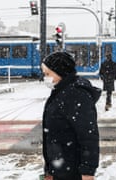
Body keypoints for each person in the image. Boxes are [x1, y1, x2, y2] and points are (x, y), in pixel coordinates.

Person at [41, 52, 101, 180]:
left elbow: (88, 136)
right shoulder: (60, 92)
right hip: (60, 167)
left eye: (47, 74)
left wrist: (88, 171)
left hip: (72, 170)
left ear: (60, 73)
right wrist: (49, 170)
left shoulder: (76, 94)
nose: (45, 78)